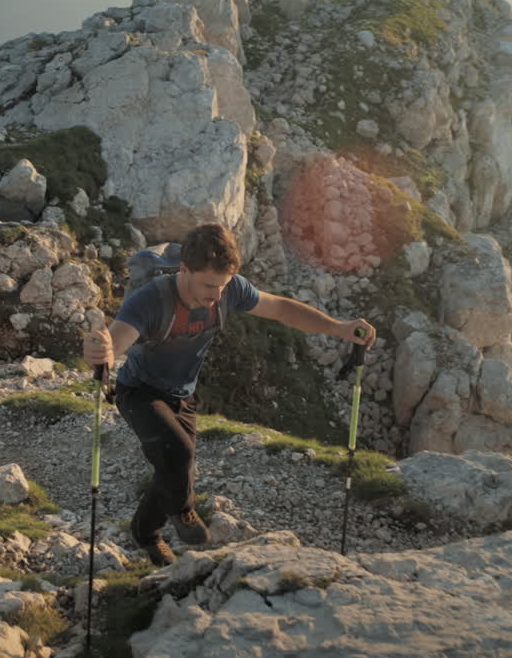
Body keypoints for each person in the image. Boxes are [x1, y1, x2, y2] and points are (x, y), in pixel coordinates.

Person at [83, 223, 376, 566]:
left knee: (173, 471)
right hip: (139, 391)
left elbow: (281, 308)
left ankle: (145, 534)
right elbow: (115, 342)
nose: (217, 296)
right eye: (209, 285)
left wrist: (338, 327)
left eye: (222, 286)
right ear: (185, 270)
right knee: (178, 454)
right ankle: (184, 511)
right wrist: (100, 351)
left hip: (183, 395)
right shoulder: (150, 300)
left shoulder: (230, 289)